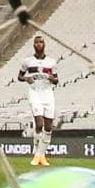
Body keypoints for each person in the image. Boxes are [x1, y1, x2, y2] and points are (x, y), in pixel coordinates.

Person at [18, 35, 58, 167]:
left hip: (48, 94)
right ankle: (37, 154)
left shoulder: (52, 62)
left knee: (48, 127)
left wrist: (52, 79)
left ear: (44, 45)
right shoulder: (27, 61)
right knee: (39, 124)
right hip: (35, 93)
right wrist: (26, 79)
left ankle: (42, 155)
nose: (39, 44)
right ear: (33, 45)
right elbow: (20, 76)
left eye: (41, 42)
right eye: (37, 42)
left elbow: (56, 80)